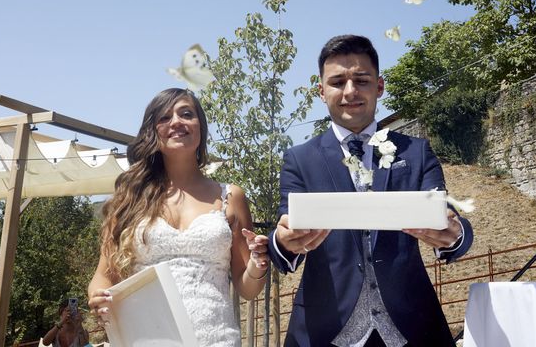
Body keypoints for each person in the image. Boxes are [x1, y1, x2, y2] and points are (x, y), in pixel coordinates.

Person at [267, 35, 474, 347]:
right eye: (337, 82)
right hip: (325, 331)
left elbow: (450, 222)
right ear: (321, 92)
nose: (350, 91)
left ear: (379, 86)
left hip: (412, 328)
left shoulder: (416, 153)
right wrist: (283, 241)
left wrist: (455, 234)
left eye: (361, 80)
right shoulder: (299, 159)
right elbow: (284, 239)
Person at [87, 88, 269, 347]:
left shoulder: (232, 196)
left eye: (186, 114)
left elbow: (247, 289)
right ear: (153, 131)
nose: (176, 122)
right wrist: (97, 296)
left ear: (200, 128)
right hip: (146, 339)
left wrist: (258, 264)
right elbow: (103, 276)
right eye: (164, 117)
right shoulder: (128, 198)